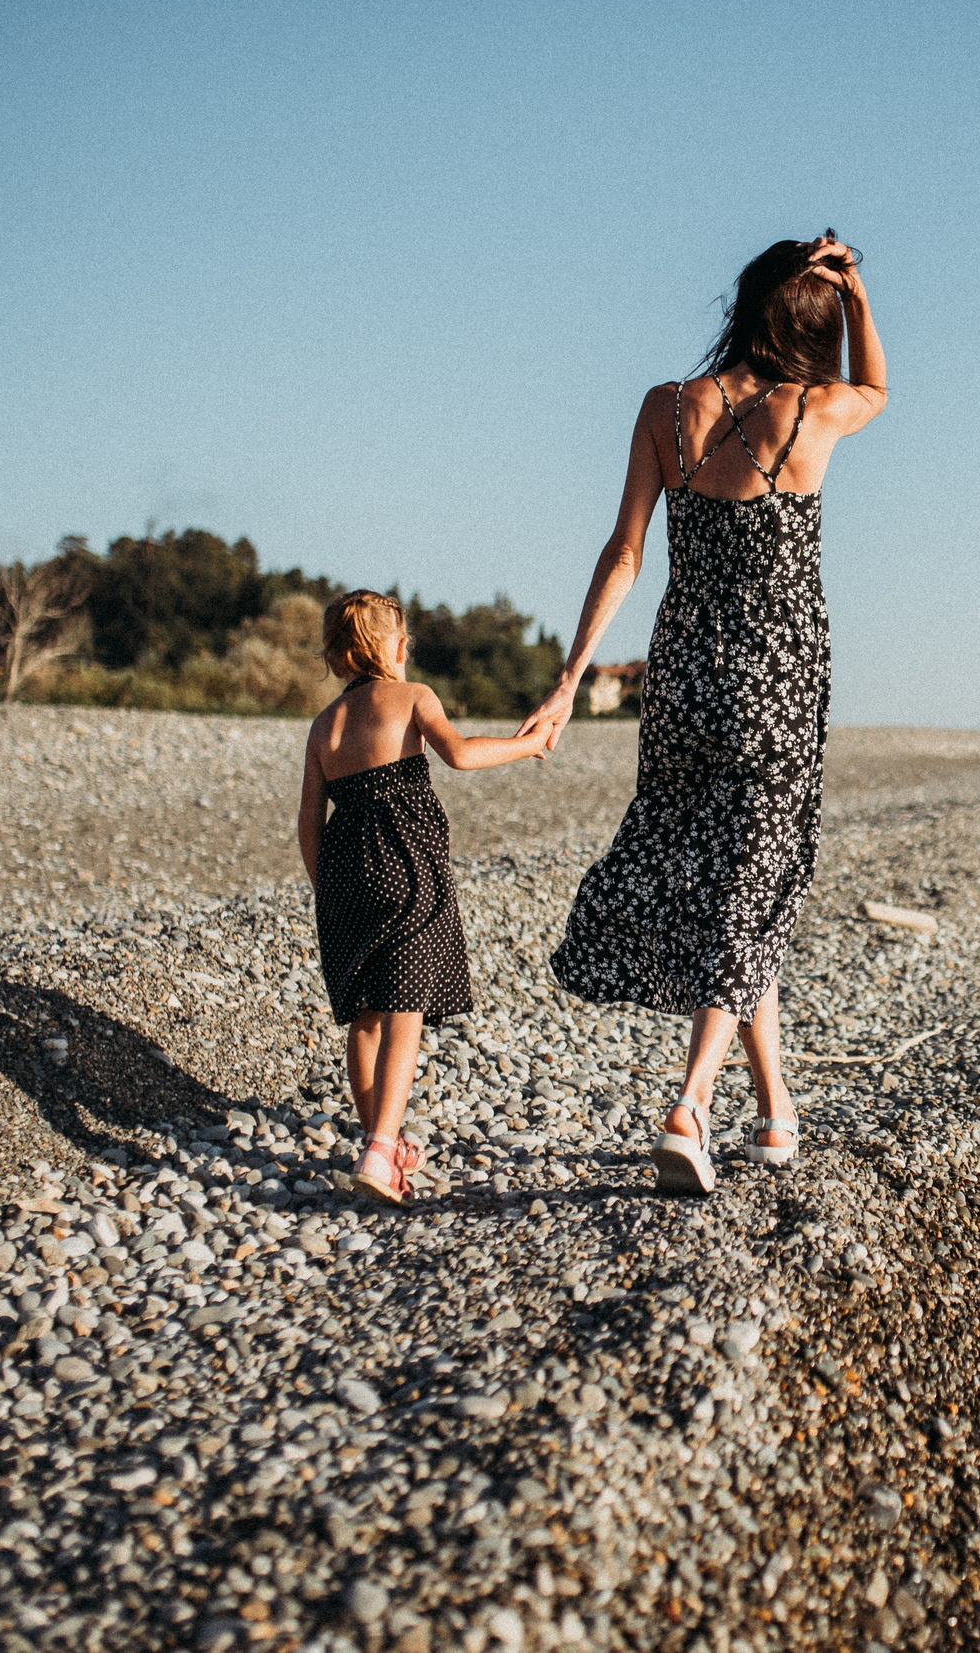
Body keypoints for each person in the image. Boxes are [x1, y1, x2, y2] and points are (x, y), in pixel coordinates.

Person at [523, 234, 887, 1194]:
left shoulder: (665, 409)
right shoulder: (816, 410)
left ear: (745, 303)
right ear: (812, 329)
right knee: (754, 884)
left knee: (732, 882)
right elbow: (881, 388)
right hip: (778, 680)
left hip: (682, 676)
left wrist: (570, 678)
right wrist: (857, 293)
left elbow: (625, 552)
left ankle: (775, 1113)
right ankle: (690, 1103)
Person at [297, 590, 551, 1206]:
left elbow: (308, 822)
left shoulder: (322, 725)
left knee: (364, 1016)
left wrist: (325, 889)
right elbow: (460, 754)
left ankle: (373, 1137)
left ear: (336, 657)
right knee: (404, 1006)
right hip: (405, 868)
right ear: (396, 646)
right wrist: (529, 743)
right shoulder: (412, 697)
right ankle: (382, 1147)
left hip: (342, 874)